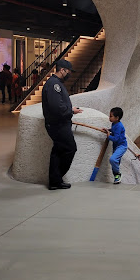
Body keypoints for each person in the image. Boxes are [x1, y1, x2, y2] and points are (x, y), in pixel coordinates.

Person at [42, 59, 82, 190]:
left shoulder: (55, 83)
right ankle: (57, 178)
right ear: (62, 70)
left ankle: (55, 181)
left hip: (57, 124)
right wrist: (70, 111)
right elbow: (56, 107)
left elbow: (58, 104)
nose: (69, 74)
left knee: (58, 151)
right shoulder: (54, 85)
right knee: (70, 148)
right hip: (58, 125)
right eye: (68, 71)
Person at [102, 107, 127, 184]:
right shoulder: (114, 124)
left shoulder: (119, 126)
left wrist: (109, 136)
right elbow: (114, 130)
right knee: (115, 163)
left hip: (122, 146)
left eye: (111, 116)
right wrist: (108, 130)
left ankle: (118, 174)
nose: (109, 117)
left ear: (117, 118)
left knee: (112, 159)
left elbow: (116, 138)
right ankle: (116, 177)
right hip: (116, 147)